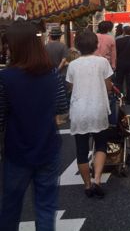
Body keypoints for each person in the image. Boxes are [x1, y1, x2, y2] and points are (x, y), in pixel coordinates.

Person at [0, 21, 68, 229]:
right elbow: (61, 106)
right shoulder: (51, 75)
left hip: (16, 152)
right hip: (48, 147)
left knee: (10, 206)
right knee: (46, 208)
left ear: (16, 46)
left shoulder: (5, 78)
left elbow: (1, 117)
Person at [66, 30, 113, 198]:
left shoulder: (72, 65)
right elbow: (108, 86)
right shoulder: (102, 62)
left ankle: (87, 185)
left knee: (81, 149)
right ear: (96, 45)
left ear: (78, 47)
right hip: (98, 107)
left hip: (79, 110)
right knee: (100, 144)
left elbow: (70, 87)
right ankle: (97, 180)